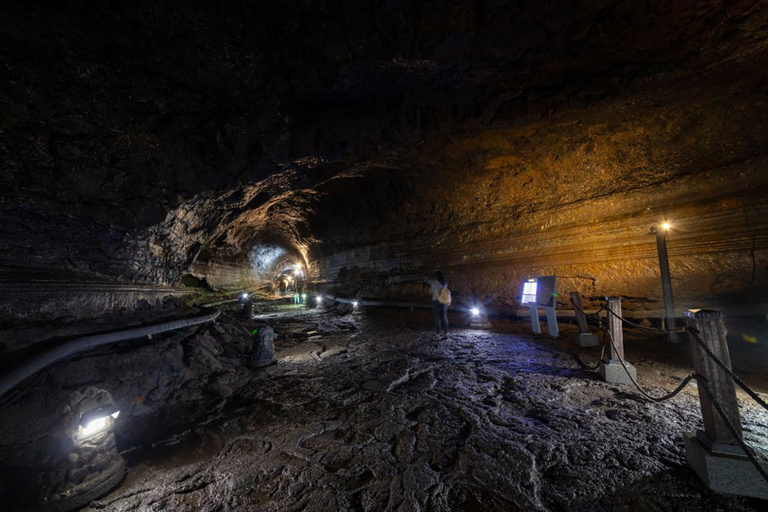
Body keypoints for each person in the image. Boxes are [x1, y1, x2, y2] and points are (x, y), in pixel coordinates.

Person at [424, 271, 449, 339]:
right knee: (444, 317)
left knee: (437, 318)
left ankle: (438, 335)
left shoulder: (434, 283)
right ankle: (446, 333)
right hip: (443, 302)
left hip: (436, 302)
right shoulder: (445, 283)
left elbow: (430, 292)